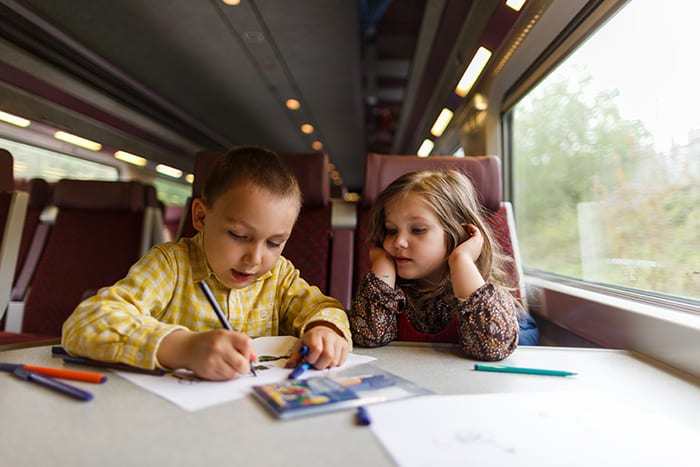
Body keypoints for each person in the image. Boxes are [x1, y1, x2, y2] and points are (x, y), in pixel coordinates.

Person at [62, 146, 351, 380]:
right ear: (200, 217)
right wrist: (183, 348)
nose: (255, 258)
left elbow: (324, 308)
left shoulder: (280, 275)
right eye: (239, 236)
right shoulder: (170, 265)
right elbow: (86, 323)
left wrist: (325, 331)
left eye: (274, 243)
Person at [349, 169, 538, 361]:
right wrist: (382, 266)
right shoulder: (386, 291)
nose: (399, 242)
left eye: (418, 230)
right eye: (391, 230)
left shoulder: (486, 293)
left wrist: (461, 260)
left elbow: (491, 347)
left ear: (458, 234)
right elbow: (368, 337)